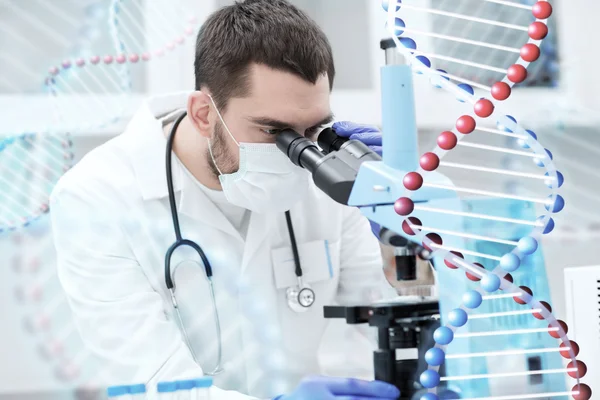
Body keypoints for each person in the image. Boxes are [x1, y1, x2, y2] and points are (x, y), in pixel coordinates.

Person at [50, 1, 399, 399]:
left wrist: (406, 240)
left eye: (313, 129)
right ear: (203, 114)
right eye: (274, 130)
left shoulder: (329, 181)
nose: (298, 153)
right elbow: (152, 384)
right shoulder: (97, 198)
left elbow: (374, 324)